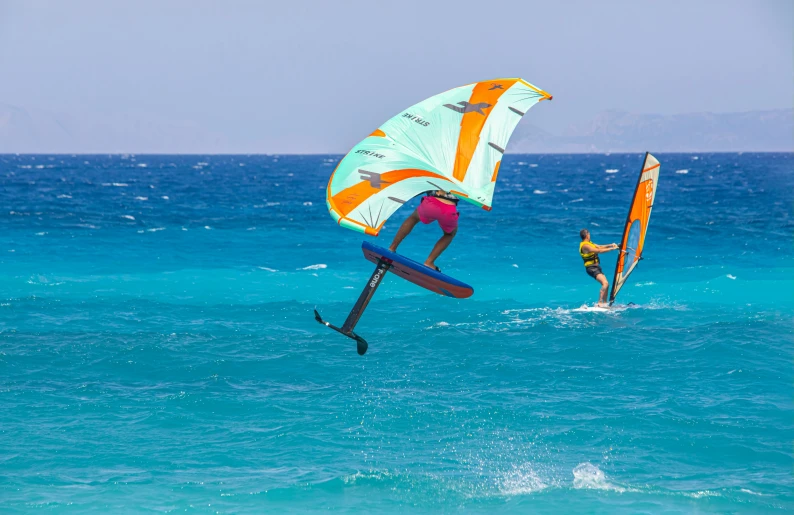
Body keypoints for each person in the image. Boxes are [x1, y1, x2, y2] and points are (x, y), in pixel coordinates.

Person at [389, 190, 459, 271]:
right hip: (448, 210)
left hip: (430, 204)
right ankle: (429, 262)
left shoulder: (436, 177)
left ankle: (392, 248)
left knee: (413, 218)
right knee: (449, 234)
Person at [579, 228, 619, 307]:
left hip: (596, 267)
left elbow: (600, 247)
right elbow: (599, 251)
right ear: (587, 235)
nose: (589, 235)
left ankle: (604, 303)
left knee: (607, 284)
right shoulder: (585, 246)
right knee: (605, 283)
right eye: (589, 234)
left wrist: (611, 245)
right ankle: (600, 303)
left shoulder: (589, 243)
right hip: (591, 268)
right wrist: (612, 249)